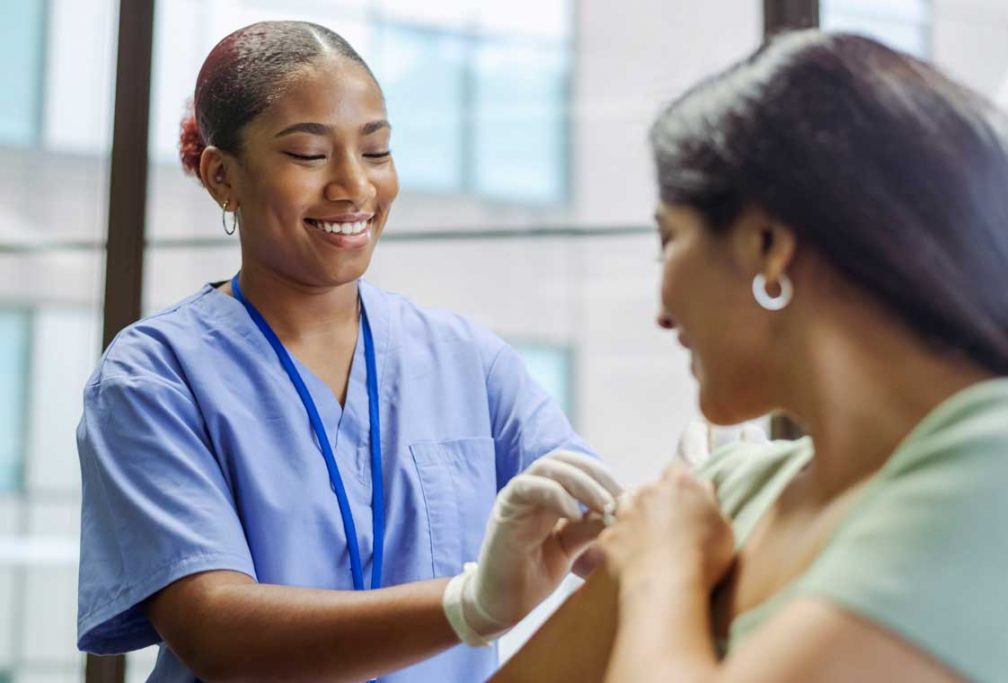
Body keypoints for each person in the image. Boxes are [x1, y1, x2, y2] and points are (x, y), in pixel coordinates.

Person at [75, 20, 620, 683]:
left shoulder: (467, 360)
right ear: (223, 177)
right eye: (308, 154)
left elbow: (610, 540)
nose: (354, 186)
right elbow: (214, 628)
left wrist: (730, 516)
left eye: (376, 151)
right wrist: (469, 605)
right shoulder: (154, 378)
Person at [493, 30, 1008, 683]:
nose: (660, 310)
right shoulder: (729, 490)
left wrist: (662, 572)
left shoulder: (1006, 457)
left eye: (669, 239)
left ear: (767, 243)